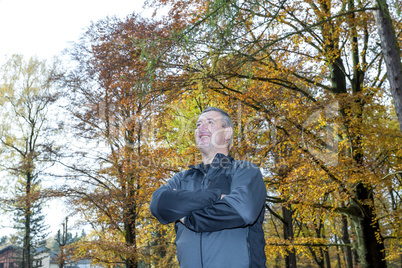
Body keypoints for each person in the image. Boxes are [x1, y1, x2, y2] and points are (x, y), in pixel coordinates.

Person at [150, 107, 267, 268]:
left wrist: (187, 217)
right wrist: (215, 196)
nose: (200, 127)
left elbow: (241, 212)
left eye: (210, 122)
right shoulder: (182, 178)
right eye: (198, 124)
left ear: (227, 133)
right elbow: (158, 204)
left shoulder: (246, 171)